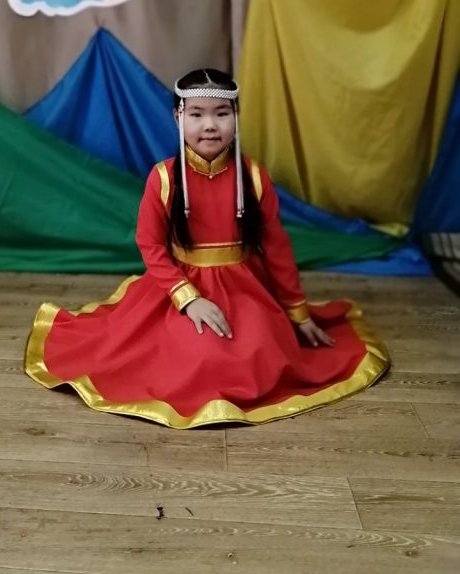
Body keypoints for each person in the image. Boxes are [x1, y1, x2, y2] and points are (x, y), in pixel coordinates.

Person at [25, 68, 389, 427]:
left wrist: (298, 313)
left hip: (245, 287)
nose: (210, 126)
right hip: (181, 286)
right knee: (199, 354)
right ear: (178, 117)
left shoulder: (253, 177)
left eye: (221, 114)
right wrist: (188, 298)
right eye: (196, 115)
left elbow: (276, 247)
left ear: (236, 117)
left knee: (256, 352)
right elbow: (149, 244)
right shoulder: (163, 178)